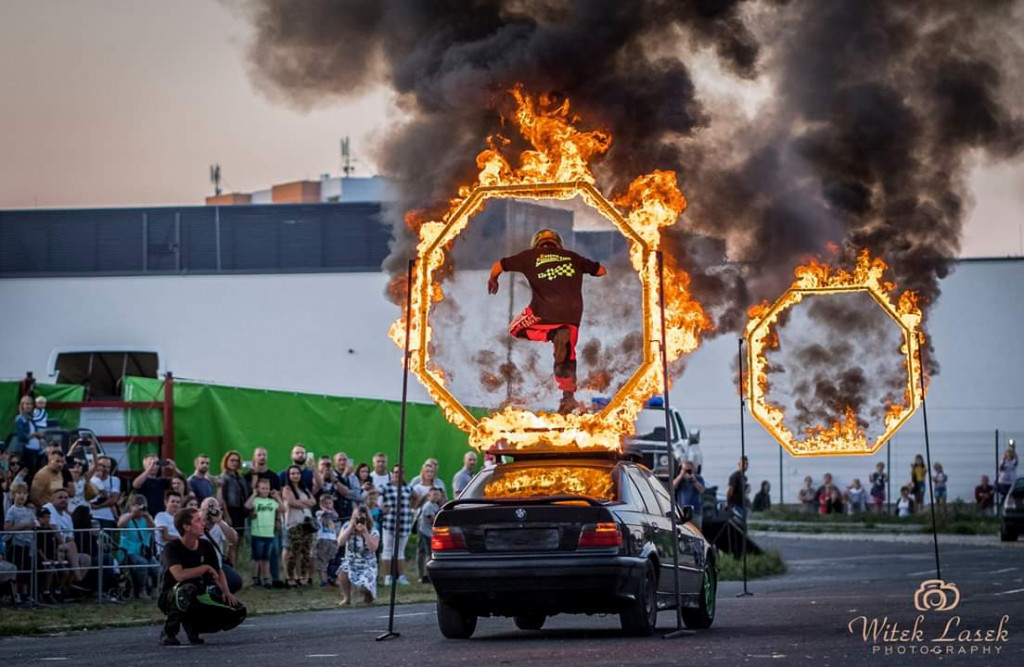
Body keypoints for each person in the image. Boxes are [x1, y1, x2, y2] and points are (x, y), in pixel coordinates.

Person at [488, 229, 607, 414]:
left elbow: (498, 265)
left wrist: (493, 279)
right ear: (558, 243)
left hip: (543, 311)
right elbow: (601, 271)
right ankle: (568, 398)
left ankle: (551, 334)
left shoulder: (529, 256)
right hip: (572, 314)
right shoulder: (572, 257)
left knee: (515, 329)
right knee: (568, 354)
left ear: (537, 243)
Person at [159, 507, 244, 646]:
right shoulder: (172, 547)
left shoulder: (206, 545)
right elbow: (179, 575)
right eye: (198, 520)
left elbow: (218, 571)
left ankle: (194, 626)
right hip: (172, 595)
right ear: (186, 527)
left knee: (237, 610)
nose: (203, 523)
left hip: (200, 594)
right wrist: (204, 568)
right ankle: (169, 632)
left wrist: (226, 591)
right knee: (186, 590)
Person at [380, 464, 419, 585]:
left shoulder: (408, 488)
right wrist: (382, 509)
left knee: (400, 551)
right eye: (396, 472)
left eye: (400, 472)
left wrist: (412, 508)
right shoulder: (385, 487)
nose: (398, 474)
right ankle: (388, 577)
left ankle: (401, 576)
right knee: (387, 549)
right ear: (392, 474)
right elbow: (377, 498)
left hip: (404, 523)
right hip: (389, 523)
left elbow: (416, 497)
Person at [336, 504, 380, 605]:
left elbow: (373, 548)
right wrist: (351, 527)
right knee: (343, 571)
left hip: (367, 564)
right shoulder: (347, 526)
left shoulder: (373, 531)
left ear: (367, 519)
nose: (360, 521)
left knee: (363, 588)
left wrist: (365, 533)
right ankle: (347, 598)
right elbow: (340, 542)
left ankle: (369, 595)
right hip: (351, 561)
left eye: (363, 519)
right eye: (358, 518)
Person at [117, 494, 160, 599]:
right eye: (136, 505)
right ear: (130, 506)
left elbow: (153, 527)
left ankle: (155, 588)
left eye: (142, 506)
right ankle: (141, 591)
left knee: (156, 565)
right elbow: (120, 525)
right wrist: (132, 514)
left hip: (144, 553)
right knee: (142, 563)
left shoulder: (147, 518)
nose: (139, 508)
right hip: (128, 552)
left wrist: (146, 515)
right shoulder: (126, 517)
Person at [282, 465, 316, 587]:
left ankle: (302, 576)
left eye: (297, 473)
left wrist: (302, 503)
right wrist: (305, 503)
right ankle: (290, 577)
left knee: (306, 552)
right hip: (294, 524)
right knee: (294, 552)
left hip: (306, 524)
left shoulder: (304, 489)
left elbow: (313, 501)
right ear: (289, 476)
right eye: (292, 473)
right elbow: (292, 502)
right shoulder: (287, 489)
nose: (295, 476)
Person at [200, 497, 241, 593]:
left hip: (217, 566)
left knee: (236, 582)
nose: (210, 511)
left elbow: (234, 540)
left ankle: (216, 591)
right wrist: (203, 520)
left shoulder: (220, 525)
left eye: (214, 508)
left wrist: (219, 521)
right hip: (198, 566)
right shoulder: (195, 523)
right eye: (208, 508)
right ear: (201, 510)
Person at [4, 481, 36, 605]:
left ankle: (25, 594)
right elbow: (7, 528)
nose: (22, 496)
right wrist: (24, 526)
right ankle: (15, 594)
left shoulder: (29, 511)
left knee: (26, 570)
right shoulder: (12, 511)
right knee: (17, 570)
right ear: (13, 495)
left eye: (24, 493)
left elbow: (34, 524)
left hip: (28, 545)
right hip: (17, 544)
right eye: (19, 493)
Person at [245, 477, 278, 588]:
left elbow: (283, 508)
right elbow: (247, 506)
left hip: (269, 534)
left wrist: (277, 497)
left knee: (266, 559)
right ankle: (255, 579)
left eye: (267, 488)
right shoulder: (256, 500)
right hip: (257, 534)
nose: (265, 491)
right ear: (258, 489)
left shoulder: (272, 502)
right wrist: (254, 494)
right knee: (256, 558)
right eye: (262, 488)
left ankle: (266, 579)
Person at [217, 450, 249, 556]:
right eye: (232, 460)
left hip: (241, 512)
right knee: (231, 543)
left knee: (239, 541)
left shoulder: (240, 477)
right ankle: (231, 568)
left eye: (236, 461)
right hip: (230, 511)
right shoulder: (223, 477)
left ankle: (235, 567)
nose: (234, 463)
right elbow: (222, 499)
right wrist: (226, 515)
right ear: (226, 461)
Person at [312, 493, 340, 588]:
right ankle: (323, 581)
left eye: (330, 503)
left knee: (331, 560)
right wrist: (325, 509)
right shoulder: (319, 513)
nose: (328, 505)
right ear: (320, 505)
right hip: (323, 539)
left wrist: (332, 508)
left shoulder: (333, 513)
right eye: (325, 503)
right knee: (322, 561)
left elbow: (336, 515)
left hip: (332, 539)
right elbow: (323, 513)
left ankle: (330, 579)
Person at [416, 487, 443, 583]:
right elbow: (434, 520)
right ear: (428, 496)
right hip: (426, 533)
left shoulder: (435, 505)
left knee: (429, 554)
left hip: (430, 533)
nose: (436, 497)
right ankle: (426, 574)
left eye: (438, 494)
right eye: (434, 494)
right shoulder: (428, 506)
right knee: (429, 554)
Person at [14, 395, 46, 472]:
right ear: (22, 405)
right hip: (27, 451)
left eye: (30, 404)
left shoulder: (32, 418)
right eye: (27, 404)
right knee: (29, 473)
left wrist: (40, 437)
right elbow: (22, 437)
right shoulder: (19, 419)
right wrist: (35, 434)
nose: (29, 406)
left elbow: (36, 431)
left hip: (38, 450)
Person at [89, 456, 121, 530]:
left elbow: (113, 500)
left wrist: (97, 507)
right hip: (92, 516)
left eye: (108, 467)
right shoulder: (89, 479)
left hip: (107, 517)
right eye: (102, 466)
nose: (105, 469)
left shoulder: (114, 480)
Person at [672, 461, 706, 529]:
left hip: (696, 511)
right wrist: (681, 475)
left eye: (689, 470)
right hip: (682, 512)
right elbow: (672, 486)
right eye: (685, 470)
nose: (687, 472)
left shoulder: (698, 478)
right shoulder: (680, 479)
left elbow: (702, 490)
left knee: (696, 530)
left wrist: (694, 480)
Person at [154, 490, 183, 555]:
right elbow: (165, 537)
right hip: (166, 552)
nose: (175, 504)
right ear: (166, 502)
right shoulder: (161, 516)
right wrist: (183, 540)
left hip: (181, 550)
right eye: (173, 501)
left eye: (178, 502)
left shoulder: (181, 518)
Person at [997, 443, 1019, 509]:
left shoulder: (1013, 461)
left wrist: (1013, 450)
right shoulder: (1003, 461)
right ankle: (1002, 509)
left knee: (1011, 497)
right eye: (1008, 455)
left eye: (1010, 455)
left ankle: (1011, 509)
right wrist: (1004, 458)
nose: (1009, 456)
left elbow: (1016, 461)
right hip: (1003, 482)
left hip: (1011, 482)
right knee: (1004, 496)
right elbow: (1001, 468)